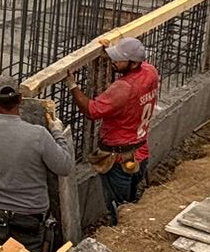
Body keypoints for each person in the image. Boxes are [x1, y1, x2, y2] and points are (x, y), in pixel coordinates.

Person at [0, 84, 73, 252]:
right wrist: (57, 132)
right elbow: (64, 166)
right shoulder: (39, 135)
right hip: (30, 220)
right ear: (20, 100)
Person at [68, 36, 159, 227]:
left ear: (133, 63)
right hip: (140, 153)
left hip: (118, 159)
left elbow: (91, 111)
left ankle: (119, 233)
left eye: (119, 59)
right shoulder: (150, 72)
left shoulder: (123, 88)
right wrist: (112, 50)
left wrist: (73, 86)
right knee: (131, 200)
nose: (114, 61)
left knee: (119, 209)